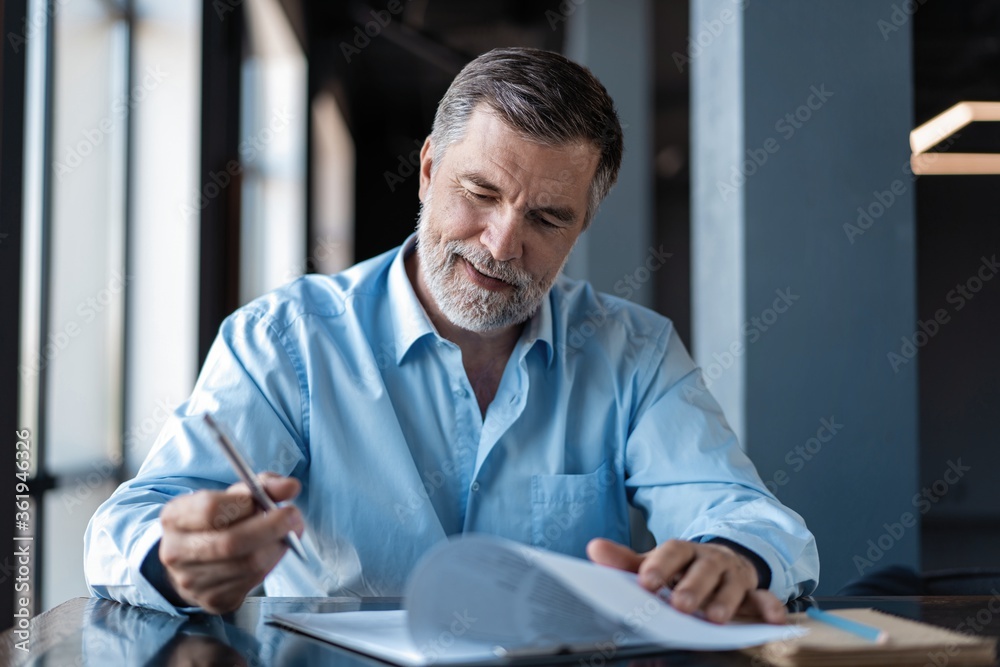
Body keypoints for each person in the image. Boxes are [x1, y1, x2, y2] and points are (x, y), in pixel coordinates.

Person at [84, 47, 819, 625]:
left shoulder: (634, 350)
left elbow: (750, 516)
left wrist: (730, 557)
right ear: (429, 168)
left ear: (582, 226)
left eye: (547, 219)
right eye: (481, 193)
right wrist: (174, 557)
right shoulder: (285, 340)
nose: (502, 245)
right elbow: (124, 527)